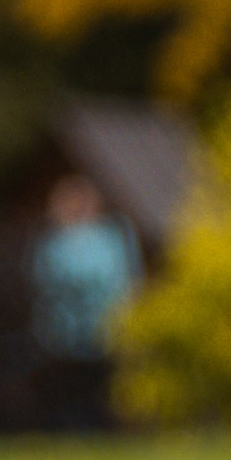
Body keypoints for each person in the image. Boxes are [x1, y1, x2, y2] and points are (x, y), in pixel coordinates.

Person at [28, 171, 141, 428]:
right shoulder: (53, 243)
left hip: (104, 328)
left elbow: (121, 279)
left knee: (103, 388)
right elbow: (43, 280)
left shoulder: (109, 238)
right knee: (70, 391)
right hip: (63, 333)